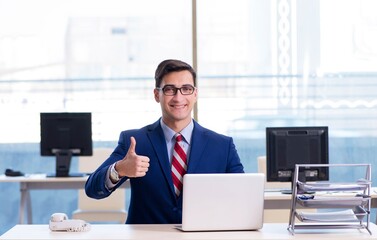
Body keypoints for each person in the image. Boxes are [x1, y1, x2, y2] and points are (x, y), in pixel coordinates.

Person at [85, 59, 244, 224]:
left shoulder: (222, 146)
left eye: (186, 89)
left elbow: (243, 197)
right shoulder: (134, 141)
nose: (178, 97)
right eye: (170, 90)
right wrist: (119, 169)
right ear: (156, 95)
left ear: (195, 94)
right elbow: (92, 190)